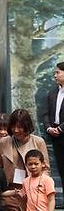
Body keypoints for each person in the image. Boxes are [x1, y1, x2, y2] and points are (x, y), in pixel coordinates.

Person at [43, 62, 64, 192]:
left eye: (58, 72)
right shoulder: (53, 92)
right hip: (55, 136)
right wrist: (49, 128)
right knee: (61, 168)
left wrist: (61, 128)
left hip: (62, 131)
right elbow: (45, 113)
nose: (55, 75)